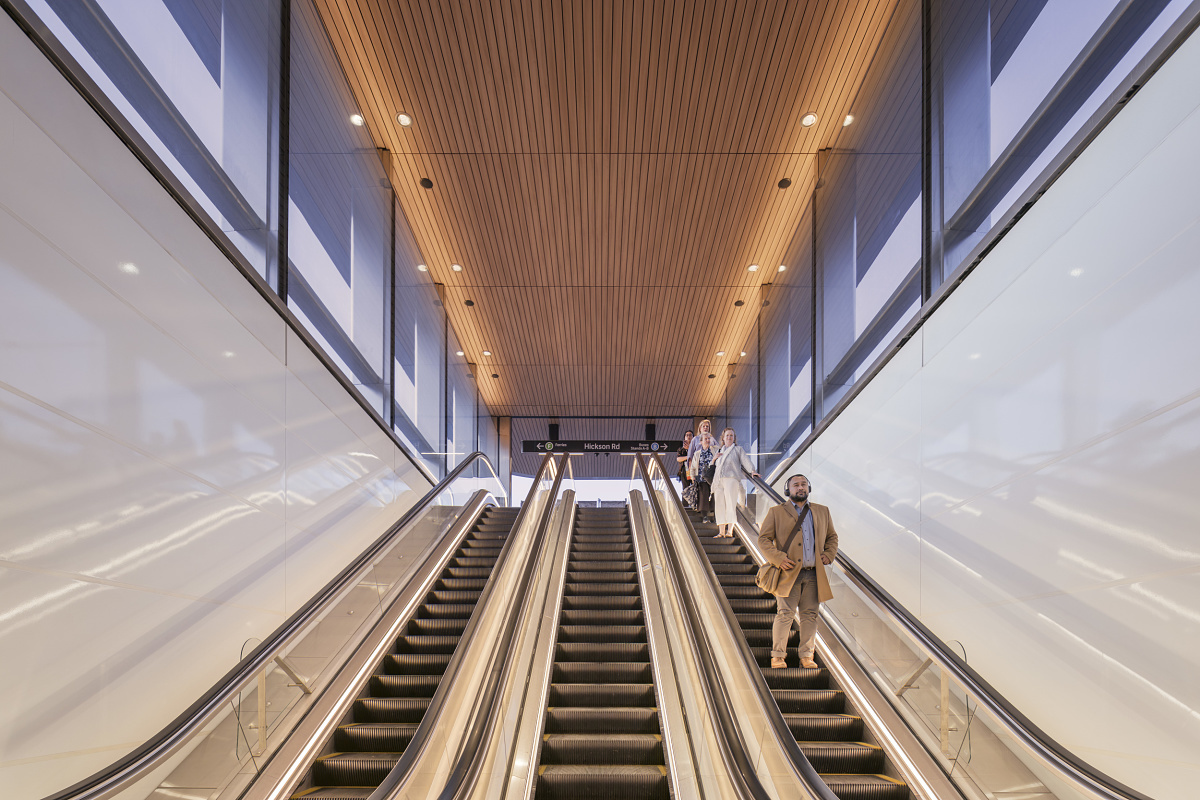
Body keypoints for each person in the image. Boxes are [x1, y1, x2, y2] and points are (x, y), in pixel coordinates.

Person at [757, 474, 838, 670]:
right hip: (788, 573)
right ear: (788, 490)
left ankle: (807, 657)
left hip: (813, 574)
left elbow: (832, 537)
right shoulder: (776, 512)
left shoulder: (822, 511)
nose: (800, 488)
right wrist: (778, 558)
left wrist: (829, 554)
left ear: (808, 488)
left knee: (810, 616)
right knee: (785, 614)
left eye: (803, 484)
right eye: (796, 485)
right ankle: (777, 657)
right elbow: (764, 540)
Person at [712, 427, 758, 538]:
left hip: (731, 479)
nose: (729, 437)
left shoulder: (738, 450)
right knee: (719, 505)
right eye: (727, 435)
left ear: (734, 438)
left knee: (730, 504)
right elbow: (714, 466)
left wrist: (752, 471)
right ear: (723, 438)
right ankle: (721, 531)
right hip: (718, 480)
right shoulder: (719, 451)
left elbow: (745, 461)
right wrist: (714, 459)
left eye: (731, 435)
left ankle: (730, 531)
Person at [688, 431, 719, 524]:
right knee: (703, 497)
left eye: (709, 439)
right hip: (701, 478)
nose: (708, 440)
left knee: (714, 496)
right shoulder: (697, 453)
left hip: (713, 478)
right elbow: (693, 467)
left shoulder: (714, 450)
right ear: (700, 442)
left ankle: (714, 516)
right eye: (705, 439)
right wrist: (693, 477)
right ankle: (705, 516)